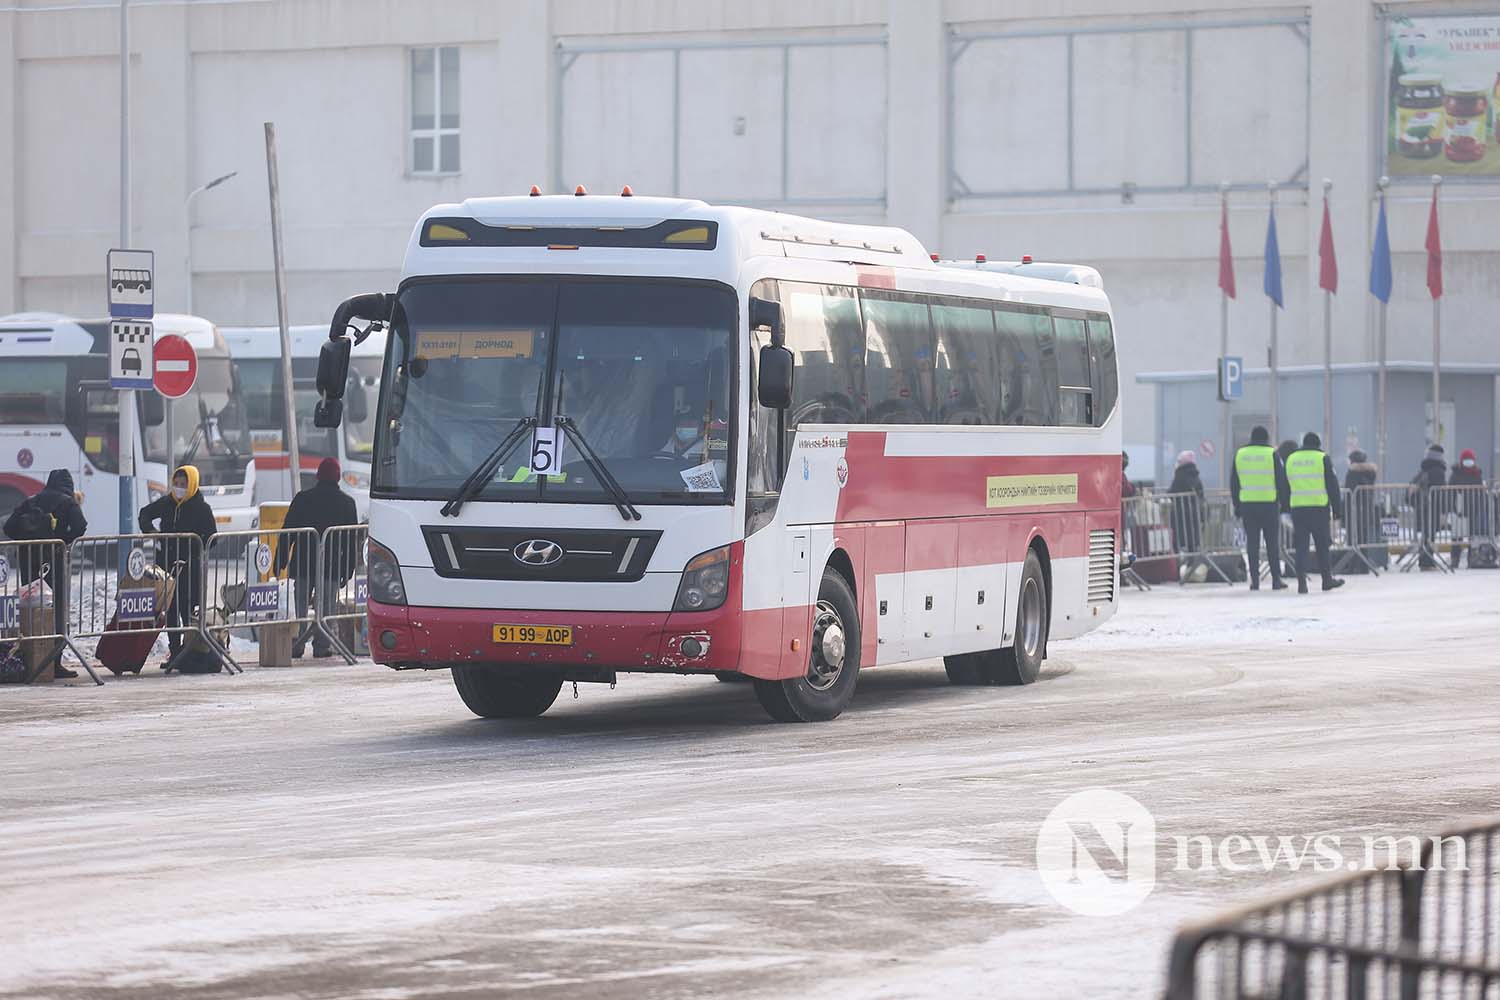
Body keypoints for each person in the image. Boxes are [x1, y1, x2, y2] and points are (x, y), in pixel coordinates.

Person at [4, 470, 88, 678]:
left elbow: (8, 527)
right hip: (54, 561)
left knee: (32, 609)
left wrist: (27, 542)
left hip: (29, 563)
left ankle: (32, 659)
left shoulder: (31, 501)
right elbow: (80, 525)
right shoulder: (67, 503)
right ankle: (54, 663)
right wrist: (63, 540)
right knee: (56, 609)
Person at [275, 457, 358, 658]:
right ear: (338, 477)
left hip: (303, 564)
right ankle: (322, 646)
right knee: (327, 607)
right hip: (331, 567)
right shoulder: (347, 503)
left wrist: (281, 561)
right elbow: (350, 542)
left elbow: (288, 531)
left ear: (318, 476)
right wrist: (347, 570)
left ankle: (299, 644)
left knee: (302, 606)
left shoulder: (303, 499)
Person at [138, 465, 218, 657]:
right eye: (176, 483)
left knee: (187, 609)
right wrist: (152, 532)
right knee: (171, 609)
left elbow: (212, 537)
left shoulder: (201, 508)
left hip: (189, 566)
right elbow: (145, 514)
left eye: (183, 484)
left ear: (192, 485)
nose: (179, 487)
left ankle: (189, 650)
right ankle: (175, 651)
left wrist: (194, 545)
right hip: (166, 565)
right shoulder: (167, 503)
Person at [1285, 432, 1345, 593]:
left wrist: (1285, 507)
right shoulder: (1322, 458)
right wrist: (1337, 510)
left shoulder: (1291, 459)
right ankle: (1326, 580)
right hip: (1319, 509)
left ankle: (1301, 583)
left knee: (1301, 546)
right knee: (1322, 545)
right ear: (1318, 444)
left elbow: (1285, 485)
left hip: (1298, 509)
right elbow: (1332, 485)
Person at [1231, 426, 1288, 591]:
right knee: (1272, 543)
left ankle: (1254, 581)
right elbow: (1281, 481)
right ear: (1266, 438)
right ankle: (1276, 580)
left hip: (1248, 505)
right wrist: (1284, 503)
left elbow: (1234, 483)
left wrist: (1236, 505)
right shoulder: (1272, 454)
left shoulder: (1240, 455)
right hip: (1269, 505)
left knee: (1252, 544)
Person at [1409, 444, 1448, 569]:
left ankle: (1425, 560)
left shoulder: (1424, 469)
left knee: (1427, 535)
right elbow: (1439, 492)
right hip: (1432, 507)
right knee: (1430, 536)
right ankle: (1427, 561)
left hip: (1423, 507)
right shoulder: (1438, 471)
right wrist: (1443, 511)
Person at [1344, 450, 1383, 569]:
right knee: (1363, 538)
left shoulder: (1352, 473)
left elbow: (1349, 489)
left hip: (1353, 509)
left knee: (1353, 538)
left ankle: (1354, 565)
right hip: (1367, 509)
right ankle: (1364, 565)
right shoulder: (1371, 472)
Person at [1448, 448, 1487, 569]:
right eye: (1466, 460)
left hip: (1474, 509)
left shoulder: (1477, 473)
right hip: (1458, 510)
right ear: (1461, 461)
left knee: (1473, 535)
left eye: (1470, 460)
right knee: (1456, 536)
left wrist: (1481, 505)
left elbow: (1481, 491)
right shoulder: (1455, 473)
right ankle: (1455, 560)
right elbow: (1450, 491)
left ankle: (1472, 559)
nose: (1468, 462)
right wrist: (1452, 507)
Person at [1169, 450, 1205, 580]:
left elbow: (1172, 492)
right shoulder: (1196, 476)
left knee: (1177, 544)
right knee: (1192, 544)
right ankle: (1192, 569)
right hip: (1194, 516)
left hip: (1180, 517)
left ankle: (1177, 573)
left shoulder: (1180, 475)